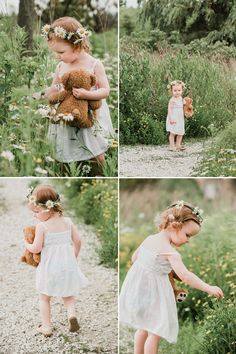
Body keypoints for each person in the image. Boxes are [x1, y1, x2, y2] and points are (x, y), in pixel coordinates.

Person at [119, 201, 224, 354]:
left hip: (138, 290)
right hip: (155, 295)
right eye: (187, 235)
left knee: (142, 329)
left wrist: (153, 269)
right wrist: (209, 288)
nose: (188, 240)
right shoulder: (170, 252)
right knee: (154, 333)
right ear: (175, 226)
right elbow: (186, 276)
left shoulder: (149, 239)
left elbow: (135, 258)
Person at [41, 17, 114, 172]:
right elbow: (54, 89)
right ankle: (67, 171)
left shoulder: (94, 64)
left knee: (95, 150)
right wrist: (42, 94)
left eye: (61, 52)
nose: (58, 56)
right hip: (67, 113)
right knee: (64, 148)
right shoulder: (61, 66)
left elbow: (105, 90)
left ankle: (100, 173)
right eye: (55, 52)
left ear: (77, 45)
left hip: (89, 115)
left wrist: (86, 94)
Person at [24, 184, 88, 337]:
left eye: (36, 212)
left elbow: (36, 248)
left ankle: (46, 327)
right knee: (68, 294)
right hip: (67, 265)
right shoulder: (68, 222)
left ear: (49, 208)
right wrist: (73, 257)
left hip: (49, 267)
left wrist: (26, 243)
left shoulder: (42, 227)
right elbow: (78, 241)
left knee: (44, 297)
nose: (34, 216)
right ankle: (71, 315)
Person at [166, 80, 186, 151]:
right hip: (173, 118)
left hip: (180, 118)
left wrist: (186, 111)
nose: (177, 92)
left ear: (182, 90)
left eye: (179, 90)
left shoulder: (181, 99)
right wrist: (171, 118)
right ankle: (171, 146)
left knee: (180, 132)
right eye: (175, 90)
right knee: (173, 132)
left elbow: (184, 107)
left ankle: (178, 144)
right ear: (171, 91)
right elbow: (169, 110)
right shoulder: (172, 100)